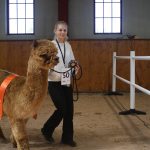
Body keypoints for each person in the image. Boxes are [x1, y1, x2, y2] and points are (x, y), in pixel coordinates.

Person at [41, 21, 78, 147]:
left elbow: (72, 61)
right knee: (62, 109)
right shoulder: (50, 46)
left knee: (69, 111)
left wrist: (75, 67)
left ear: (67, 32)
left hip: (66, 81)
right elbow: (45, 63)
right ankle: (47, 129)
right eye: (60, 30)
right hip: (54, 82)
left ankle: (67, 138)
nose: (62, 32)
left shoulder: (68, 45)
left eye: (64, 30)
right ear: (55, 31)